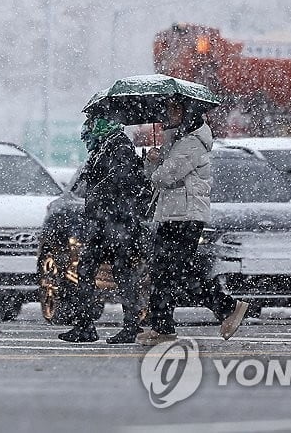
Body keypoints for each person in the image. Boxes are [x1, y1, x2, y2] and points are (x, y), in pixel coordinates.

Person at [136, 98, 248, 346]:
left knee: (178, 271)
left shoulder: (191, 143)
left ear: (188, 113)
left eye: (175, 110)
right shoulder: (177, 140)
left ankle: (228, 307)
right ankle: (161, 326)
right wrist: (153, 161)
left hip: (186, 216)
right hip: (171, 213)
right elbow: (155, 176)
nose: (169, 114)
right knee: (161, 272)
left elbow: (165, 176)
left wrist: (156, 163)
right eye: (168, 109)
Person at [58, 114, 154, 344]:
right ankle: (85, 325)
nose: (87, 130)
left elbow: (122, 180)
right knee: (90, 271)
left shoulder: (120, 146)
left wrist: (100, 183)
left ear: (104, 124)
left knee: (120, 273)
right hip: (104, 222)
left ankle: (127, 326)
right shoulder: (105, 148)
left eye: (91, 123)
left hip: (117, 223)